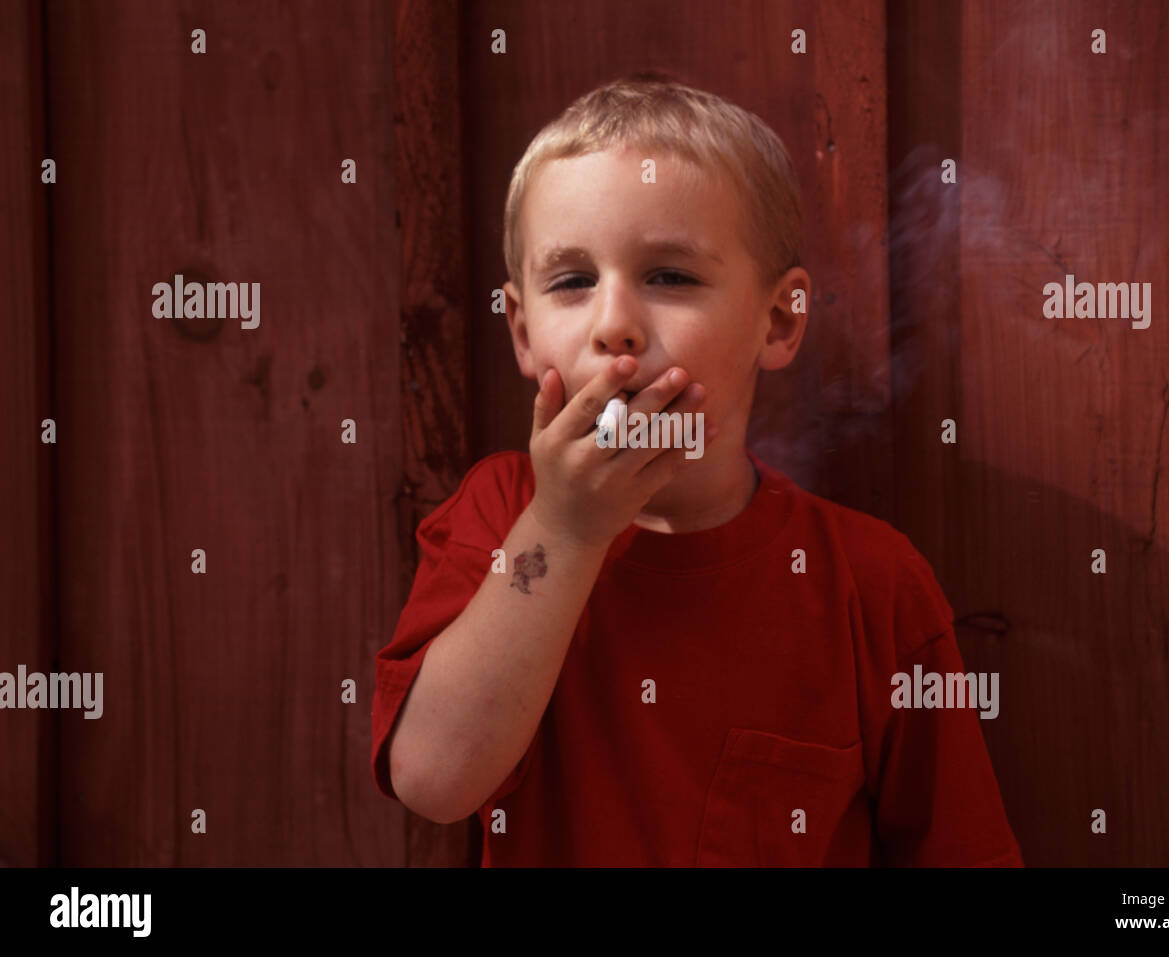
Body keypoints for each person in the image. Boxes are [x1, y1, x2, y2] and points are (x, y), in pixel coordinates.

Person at [371, 73, 1022, 866]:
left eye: (669, 276)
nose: (615, 324)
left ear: (779, 321)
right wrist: (566, 528)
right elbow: (433, 779)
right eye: (572, 281)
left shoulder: (869, 583)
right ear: (521, 330)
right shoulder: (500, 514)